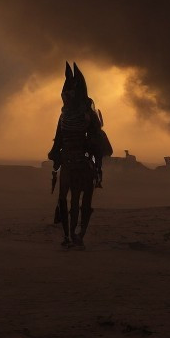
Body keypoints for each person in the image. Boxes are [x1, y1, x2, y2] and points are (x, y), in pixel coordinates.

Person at [48, 62, 112, 248]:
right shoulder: (67, 115)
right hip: (72, 160)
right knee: (66, 200)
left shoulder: (83, 115)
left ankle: (76, 236)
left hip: (78, 161)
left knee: (78, 201)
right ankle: (71, 236)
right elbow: (58, 140)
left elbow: (97, 141)